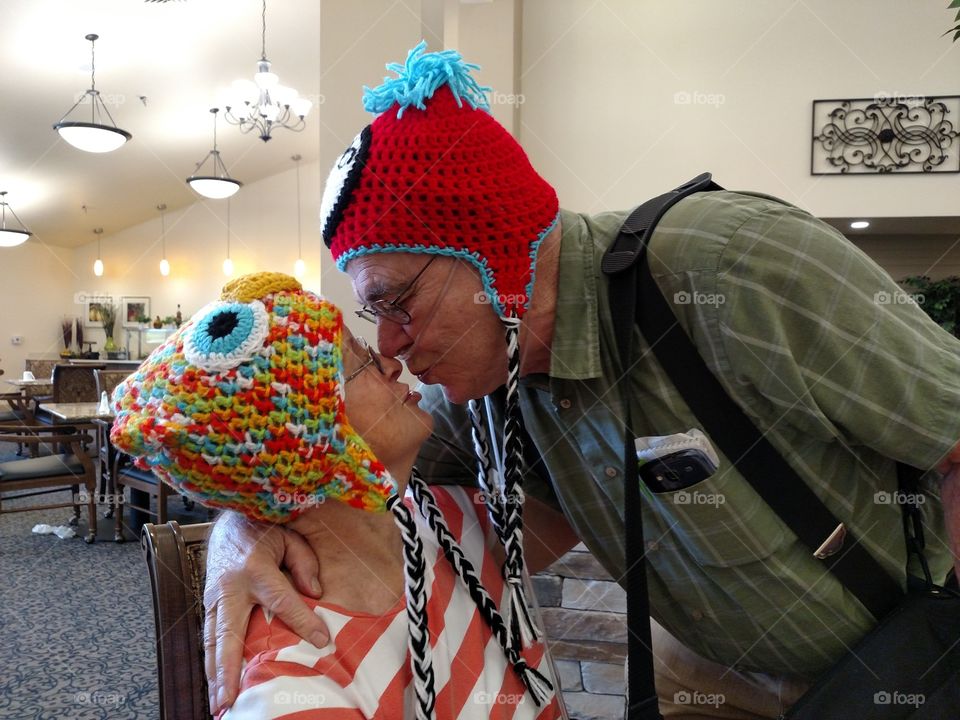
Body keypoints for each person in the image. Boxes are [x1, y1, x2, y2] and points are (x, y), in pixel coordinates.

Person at [204, 44, 960, 719]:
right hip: (699, 670)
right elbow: (331, 476)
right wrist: (237, 537)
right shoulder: (475, 382)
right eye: (375, 315)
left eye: (398, 302)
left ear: (496, 260)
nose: (392, 346)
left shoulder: (733, 267)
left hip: (897, 662)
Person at [110, 272, 566, 719]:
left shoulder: (453, 518)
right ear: (305, 445)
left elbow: (584, 513)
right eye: (359, 361)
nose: (392, 362)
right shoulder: (293, 685)